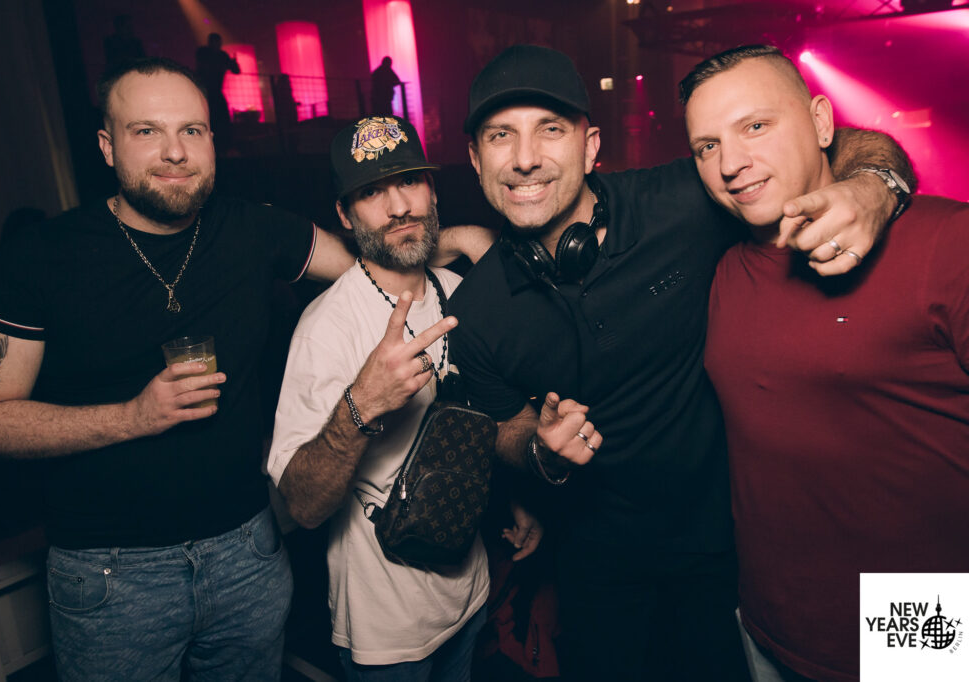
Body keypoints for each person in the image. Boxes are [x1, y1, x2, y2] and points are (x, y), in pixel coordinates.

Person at [447, 44, 913, 681]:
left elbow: (815, 151)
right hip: (596, 568)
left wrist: (872, 187)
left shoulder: (682, 201)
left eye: (550, 129)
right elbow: (503, 422)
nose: (525, 157)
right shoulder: (474, 312)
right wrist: (538, 450)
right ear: (476, 160)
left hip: (727, 552)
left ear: (590, 147)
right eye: (501, 135)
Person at [0, 57, 359, 681]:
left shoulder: (255, 229)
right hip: (110, 578)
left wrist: (460, 242)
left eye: (192, 130)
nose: (175, 152)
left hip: (249, 551)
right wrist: (131, 417)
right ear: (107, 146)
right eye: (147, 131)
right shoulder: (42, 256)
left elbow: (372, 266)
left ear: (212, 140)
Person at [682, 45, 968, 682]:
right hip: (767, 621)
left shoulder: (945, 242)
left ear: (820, 121)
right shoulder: (723, 268)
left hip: (915, 618)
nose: (730, 163)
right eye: (707, 146)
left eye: (756, 126)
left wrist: (875, 185)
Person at [267, 114, 538, 681]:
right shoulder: (326, 328)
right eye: (371, 192)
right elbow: (302, 506)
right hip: (387, 633)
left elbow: (486, 413)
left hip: (470, 593)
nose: (398, 207)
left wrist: (519, 497)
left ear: (432, 190)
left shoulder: (460, 292)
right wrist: (361, 405)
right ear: (345, 215)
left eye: (410, 181)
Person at [195, 33, 240, 154]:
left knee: (214, 118)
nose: (217, 45)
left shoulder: (211, 54)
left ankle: (217, 146)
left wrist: (232, 63)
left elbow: (236, 70)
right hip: (207, 92)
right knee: (217, 118)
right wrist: (231, 63)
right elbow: (236, 70)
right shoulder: (212, 54)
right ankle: (221, 146)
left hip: (209, 92)